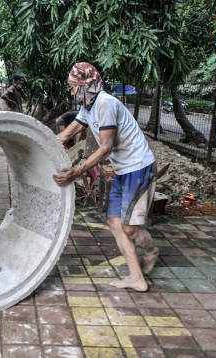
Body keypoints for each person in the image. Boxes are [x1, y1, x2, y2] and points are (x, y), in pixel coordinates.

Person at [53, 62, 159, 292]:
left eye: (73, 88)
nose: (71, 93)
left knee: (129, 229)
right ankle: (136, 278)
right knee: (114, 223)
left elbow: (106, 147)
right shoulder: (87, 107)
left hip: (139, 167)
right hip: (123, 169)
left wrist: (77, 172)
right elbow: (67, 133)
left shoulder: (105, 103)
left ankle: (150, 250)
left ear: (84, 86)